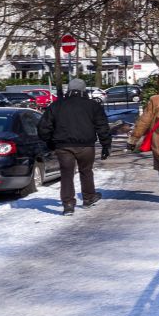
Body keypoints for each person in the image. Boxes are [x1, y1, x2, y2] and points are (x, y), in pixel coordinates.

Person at [39, 79, 111, 215]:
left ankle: (68, 205)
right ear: (84, 90)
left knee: (66, 174)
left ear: (69, 90)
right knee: (86, 171)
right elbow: (102, 126)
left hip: (63, 146)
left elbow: (44, 127)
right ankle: (89, 197)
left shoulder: (56, 106)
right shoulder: (92, 106)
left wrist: (49, 142)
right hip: (86, 146)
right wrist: (106, 145)